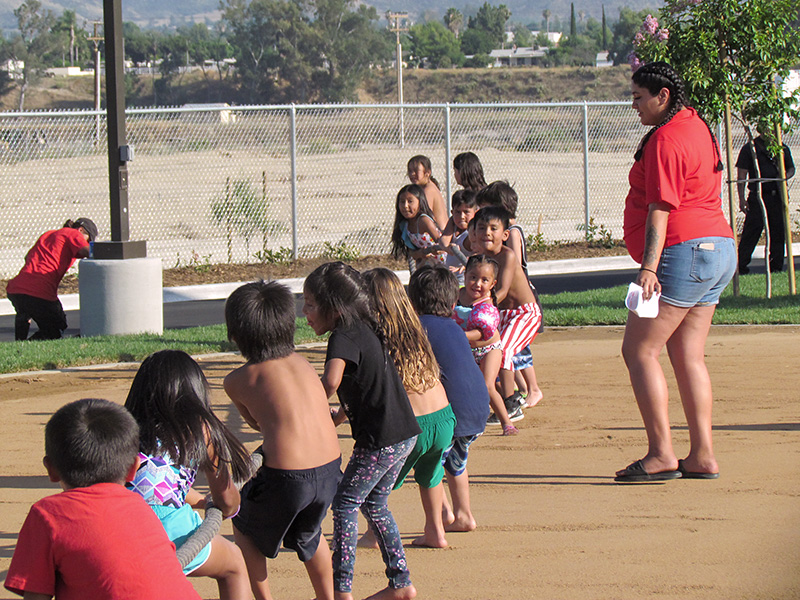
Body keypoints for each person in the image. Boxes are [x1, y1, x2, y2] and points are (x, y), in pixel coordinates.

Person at [616, 61, 735, 483]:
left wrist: (649, 267)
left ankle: (662, 453)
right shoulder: (697, 125)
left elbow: (661, 207)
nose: (634, 106)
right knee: (688, 355)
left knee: (639, 351)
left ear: (661, 96)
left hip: (685, 252)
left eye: (638, 97)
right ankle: (702, 454)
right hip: (718, 248)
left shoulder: (667, 138)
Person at [302, 262, 421, 600]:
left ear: (334, 307)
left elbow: (330, 382)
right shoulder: (363, 328)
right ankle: (401, 584)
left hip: (381, 440)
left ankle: (342, 592)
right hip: (403, 434)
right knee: (375, 504)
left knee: (344, 504)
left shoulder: (341, 336)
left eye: (311, 304)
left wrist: (303, 404)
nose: (305, 312)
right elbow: (365, 390)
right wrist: (337, 418)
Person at [4, 398, 201, 600]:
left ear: (51, 469)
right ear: (134, 468)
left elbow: (36, 597)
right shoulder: (140, 506)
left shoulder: (47, 514)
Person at [224, 281, 343, 600]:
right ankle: (327, 597)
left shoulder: (237, 380)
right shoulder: (303, 363)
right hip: (331, 468)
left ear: (236, 335)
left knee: (243, 523)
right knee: (309, 532)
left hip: (288, 476)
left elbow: (255, 422)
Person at [125, 350, 252, 600]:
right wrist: (229, 507)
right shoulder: (200, 430)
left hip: (123, 525)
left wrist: (201, 501)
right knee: (234, 564)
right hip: (171, 530)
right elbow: (227, 501)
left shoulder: (124, 427)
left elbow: (157, 482)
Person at [362, 268, 456, 548]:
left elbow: (376, 391)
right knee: (431, 475)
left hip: (413, 428)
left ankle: (373, 535)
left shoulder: (379, 339)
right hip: (443, 419)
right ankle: (435, 532)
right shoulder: (416, 329)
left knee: (375, 484)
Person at [408, 265, 491, 531]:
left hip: (451, 413)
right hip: (478, 408)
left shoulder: (418, 329)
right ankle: (464, 514)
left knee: (429, 462)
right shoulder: (455, 328)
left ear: (413, 301)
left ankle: (443, 516)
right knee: (456, 462)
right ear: (453, 301)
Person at [472, 206, 543, 427]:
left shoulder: (508, 256)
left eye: (493, 228)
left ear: (504, 235)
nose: (487, 233)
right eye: (482, 228)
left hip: (524, 314)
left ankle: (511, 404)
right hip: (502, 315)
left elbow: (501, 291)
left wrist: (479, 303)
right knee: (485, 355)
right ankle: (501, 401)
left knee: (503, 351)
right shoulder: (478, 259)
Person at [452, 255, 519, 436]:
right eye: (473, 277)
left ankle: (507, 423)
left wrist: (456, 335)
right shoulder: (456, 296)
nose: (477, 284)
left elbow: (481, 334)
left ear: (492, 284)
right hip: (466, 349)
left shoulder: (487, 304)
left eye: (484, 280)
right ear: (465, 275)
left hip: (489, 349)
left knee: (487, 385)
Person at [6, 218, 97, 341]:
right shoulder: (73, 233)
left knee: (24, 311)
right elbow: (88, 251)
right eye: (88, 239)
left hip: (16, 288)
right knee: (57, 327)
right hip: (40, 291)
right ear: (81, 230)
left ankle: (18, 346)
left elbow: (27, 256)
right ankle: (28, 347)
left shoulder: (49, 234)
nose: (87, 242)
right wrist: (108, 252)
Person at [736, 131, 795, 274]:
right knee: (751, 232)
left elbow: (791, 168)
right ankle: (741, 266)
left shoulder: (780, 147)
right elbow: (741, 175)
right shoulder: (750, 148)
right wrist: (742, 198)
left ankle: (776, 266)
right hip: (757, 197)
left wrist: (784, 176)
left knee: (778, 232)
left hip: (776, 196)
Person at [390, 184, 445, 272]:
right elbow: (412, 253)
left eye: (410, 201)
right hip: (428, 265)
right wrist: (420, 253)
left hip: (445, 263)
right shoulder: (405, 225)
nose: (405, 206)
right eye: (402, 202)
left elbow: (442, 244)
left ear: (420, 202)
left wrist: (434, 249)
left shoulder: (424, 221)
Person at [438, 189, 478, 284]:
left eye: (466, 212)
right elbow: (444, 240)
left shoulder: (473, 232)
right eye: (458, 212)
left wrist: (465, 262)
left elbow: (479, 252)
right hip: (451, 280)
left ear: (475, 212)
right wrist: (449, 249)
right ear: (452, 212)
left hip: (463, 281)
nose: (461, 216)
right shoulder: (453, 223)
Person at [407, 155, 447, 228]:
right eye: (410, 170)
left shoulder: (428, 190)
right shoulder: (425, 187)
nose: (412, 174)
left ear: (427, 173)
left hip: (439, 234)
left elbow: (424, 215)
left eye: (416, 170)